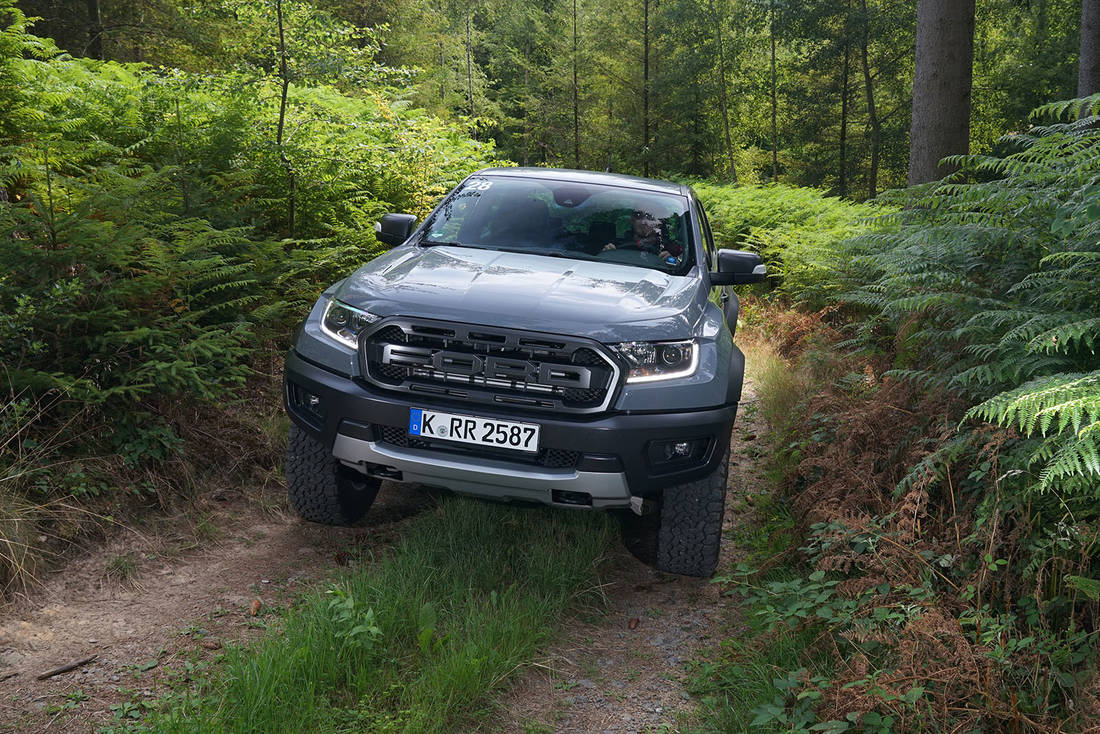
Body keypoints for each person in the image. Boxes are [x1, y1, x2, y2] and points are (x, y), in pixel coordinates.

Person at [602, 209, 683, 260]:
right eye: (638, 216)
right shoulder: (616, 244)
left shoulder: (672, 249)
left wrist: (672, 261)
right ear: (632, 220)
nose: (644, 222)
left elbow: (685, 272)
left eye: (650, 217)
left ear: (659, 223)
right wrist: (607, 253)